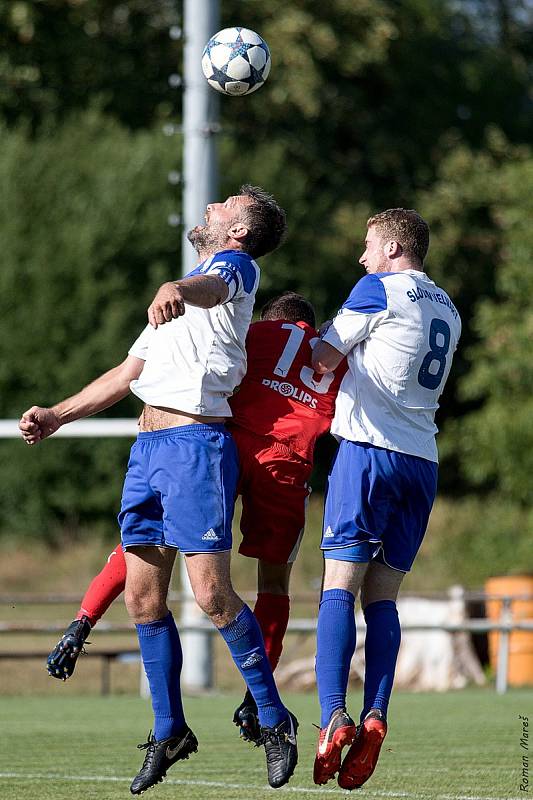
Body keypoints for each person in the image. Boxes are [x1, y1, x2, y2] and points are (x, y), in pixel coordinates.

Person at [19, 186, 299, 793]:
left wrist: (178, 290)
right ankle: (170, 729)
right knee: (143, 600)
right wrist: (57, 415)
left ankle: (276, 721)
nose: (213, 207)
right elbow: (126, 375)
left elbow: (212, 284)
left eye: (225, 205)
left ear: (240, 231)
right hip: (148, 451)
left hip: (196, 449)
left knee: (212, 595)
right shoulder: (178, 301)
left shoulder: (232, 271)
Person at [46, 292, 346, 744]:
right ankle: (256, 695)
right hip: (287, 465)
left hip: (226, 446)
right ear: (311, 325)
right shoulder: (334, 356)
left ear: (270, 318)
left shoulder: (251, 333)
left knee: (149, 544)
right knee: (273, 584)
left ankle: (83, 619)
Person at [310, 208, 461, 790]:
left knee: (337, 589)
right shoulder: (448, 305)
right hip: (422, 462)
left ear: (395, 246)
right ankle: (376, 715)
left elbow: (324, 358)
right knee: (384, 599)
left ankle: (332, 718)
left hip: (368, 454)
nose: (361, 256)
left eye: (368, 244)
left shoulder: (378, 288)